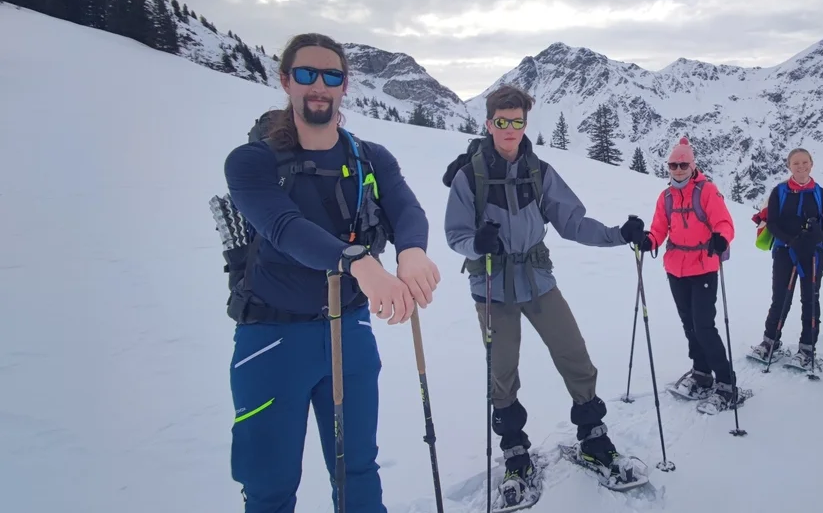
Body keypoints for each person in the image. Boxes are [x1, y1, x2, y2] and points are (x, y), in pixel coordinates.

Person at [223, 32, 441, 513]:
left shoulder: (370, 157)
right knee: (269, 484)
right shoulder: (251, 162)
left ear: (345, 86)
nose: (319, 85)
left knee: (357, 468)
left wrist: (412, 252)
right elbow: (283, 227)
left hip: (351, 331)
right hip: (272, 339)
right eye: (306, 74)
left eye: (331, 76)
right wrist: (360, 264)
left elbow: (405, 207)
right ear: (285, 80)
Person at [442, 83, 646, 505]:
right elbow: (455, 234)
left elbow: (572, 222)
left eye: (517, 121)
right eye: (502, 121)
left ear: (525, 123)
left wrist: (618, 235)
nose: (510, 129)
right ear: (489, 123)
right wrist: (477, 243)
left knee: (574, 354)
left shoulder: (539, 171)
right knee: (503, 370)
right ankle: (515, 452)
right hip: (492, 286)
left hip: (537, 278)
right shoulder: (469, 176)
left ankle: (593, 437)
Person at [635, 137, 748, 413]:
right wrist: (648, 241)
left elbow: (723, 221)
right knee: (689, 325)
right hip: (676, 267)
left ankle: (726, 384)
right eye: (673, 164)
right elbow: (659, 228)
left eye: (683, 164)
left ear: (692, 164)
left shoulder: (707, 191)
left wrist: (721, 238)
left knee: (704, 326)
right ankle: (701, 373)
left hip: (704, 265)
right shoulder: (666, 197)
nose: (678, 169)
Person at [749, 148, 823, 371]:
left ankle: (807, 348)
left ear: (811, 164)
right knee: (780, 297)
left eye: (805, 162)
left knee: (810, 299)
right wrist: (791, 240)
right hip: (785, 251)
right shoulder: (779, 192)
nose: (801, 166)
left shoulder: (820, 193)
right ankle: (770, 341)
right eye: (796, 163)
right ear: (789, 166)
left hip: (813, 253)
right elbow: (774, 222)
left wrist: (818, 236)